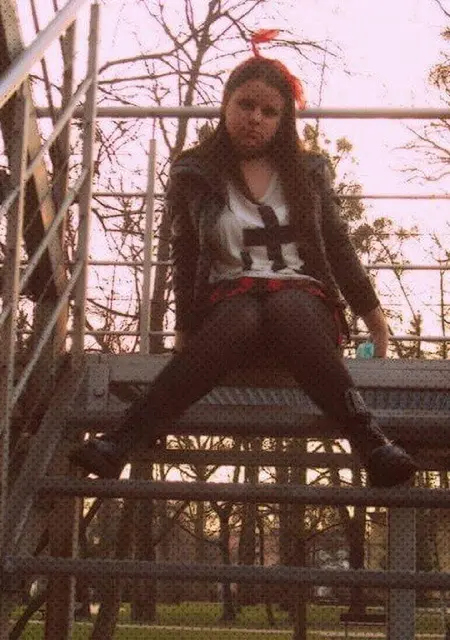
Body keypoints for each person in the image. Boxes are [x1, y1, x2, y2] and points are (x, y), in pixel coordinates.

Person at [69, 30, 418, 487]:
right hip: (229, 310)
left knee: (284, 304)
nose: (255, 118)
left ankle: (369, 438)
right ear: (226, 104)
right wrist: (184, 330)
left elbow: (337, 244)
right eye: (246, 105)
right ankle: (122, 441)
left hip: (303, 312)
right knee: (246, 311)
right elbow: (185, 253)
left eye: (269, 112)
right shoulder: (194, 170)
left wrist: (375, 320)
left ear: (283, 120)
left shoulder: (308, 170)